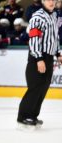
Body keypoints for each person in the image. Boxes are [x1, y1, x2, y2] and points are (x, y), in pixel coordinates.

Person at [17, 0, 62, 128]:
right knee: (35, 88)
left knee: (43, 88)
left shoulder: (54, 16)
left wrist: (58, 53)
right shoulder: (37, 17)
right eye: (48, 0)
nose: (51, 2)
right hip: (37, 57)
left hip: (48, 57)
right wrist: (39, 59)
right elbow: (34, 38)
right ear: (42, 1)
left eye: (53, 0)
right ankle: (22, 117)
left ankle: (33, 115)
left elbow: (55, 36)